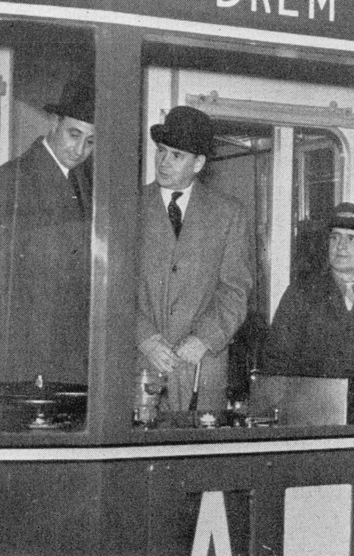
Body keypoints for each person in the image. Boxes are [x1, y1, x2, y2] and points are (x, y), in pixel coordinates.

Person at [0, 80, 95, 386]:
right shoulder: (13, 179)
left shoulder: (83, 181)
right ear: (54, 124)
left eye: (91, 141)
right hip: (24, 359)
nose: (80, 150)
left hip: (69, 354)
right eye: (74, 134)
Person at [137, 105, 252, 414]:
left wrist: (205, 338)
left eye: (177, 156)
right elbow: (111, 286)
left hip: (202, 365)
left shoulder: (229, 213)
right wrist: (144, 336)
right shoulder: (128, 207)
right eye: (161, 151)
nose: (163, 162)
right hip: (141, 365)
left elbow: (235, 291)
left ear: (199, 163)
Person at [263, 202, 354, 422]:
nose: (340, 246)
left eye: (352, 238)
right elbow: (276, 364)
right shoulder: (301, 294)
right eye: (335, 237)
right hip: (313, 419)